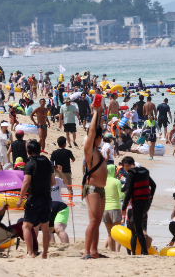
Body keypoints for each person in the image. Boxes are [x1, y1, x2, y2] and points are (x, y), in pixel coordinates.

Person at [17, 141, 53, 258]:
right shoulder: (47, 162)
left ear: (28, 151)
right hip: (47, 197)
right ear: (40, 150)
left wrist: (20, 199)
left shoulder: (30, 163)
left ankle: (31, 253)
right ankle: (45, 254)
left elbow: (26, 182)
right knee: (45, 228)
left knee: (26, 226)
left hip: (34, 198)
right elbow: (53, 182)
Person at [82, 102, 108, 260]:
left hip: (101, 189)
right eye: (100, 137)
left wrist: (99, 113)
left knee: (97, 221)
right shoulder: (90, 151)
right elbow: (92, 131)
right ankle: (86, 252)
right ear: (97, 138)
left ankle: (94, 251)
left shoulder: (98, 151)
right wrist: (96, 112)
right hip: (91, 188)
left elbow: (97, 128)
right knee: (93, 221)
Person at [121, 156, 156, 255]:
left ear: (126, 165)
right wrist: (150, 197)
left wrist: (123, 208)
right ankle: (139, 252)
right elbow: (153, 185)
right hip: (147, 203)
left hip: (138, 203)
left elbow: (128, 192)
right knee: (137, 226)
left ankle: (144, 253)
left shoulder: (131, 174)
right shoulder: (144, 171)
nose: (124, 170)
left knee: (137, 230)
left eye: (124, 167)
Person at [103, 164, 124, 251]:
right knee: (117, 233)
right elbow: (122, 195)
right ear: (112, 171)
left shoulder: (102, 181)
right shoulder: (116, 181)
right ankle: (116, 251)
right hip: (115, 208)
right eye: (115, 171)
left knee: (109, 234)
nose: (116, 172)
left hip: (105, 210)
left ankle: (112, 252)